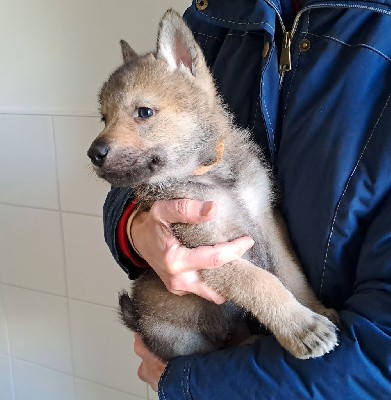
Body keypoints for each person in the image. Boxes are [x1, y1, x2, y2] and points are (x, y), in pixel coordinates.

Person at [103, 0, 391, 398]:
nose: (108, 136)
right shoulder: (213, 12)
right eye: (108, 119)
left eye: (143, 113)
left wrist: (300, 307)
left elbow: (381, 353)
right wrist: (136, 228)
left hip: (318, 376)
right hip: (194, 339)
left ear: (186, 66)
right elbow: (130, 187)